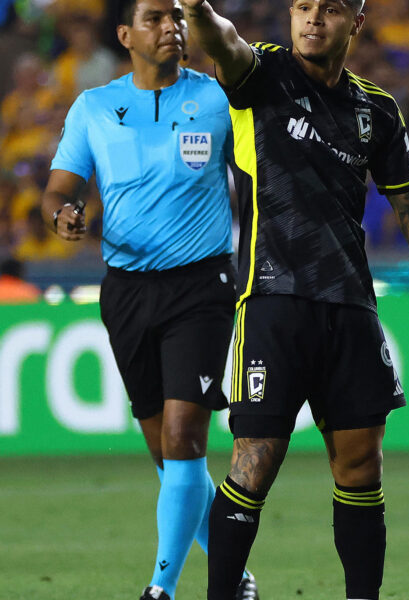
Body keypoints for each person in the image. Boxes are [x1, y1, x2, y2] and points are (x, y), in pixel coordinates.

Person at [180, 1, 409, 599]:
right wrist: (195, 8)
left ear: (354, 21)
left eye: (328, 9)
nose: (312, 20)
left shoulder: (376, 110)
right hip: (273, 302)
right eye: (302, 7)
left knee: (361, 468)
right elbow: (220, 40)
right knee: (255, 463)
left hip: (351, 307)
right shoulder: (262, 75)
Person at [40, 1, 258, 599]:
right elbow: (60, 186)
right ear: (126, 35)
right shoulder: (93, 108)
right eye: (157, 18)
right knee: (170, 459)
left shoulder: (217, 99)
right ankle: (236, 578)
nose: (172, 27)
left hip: (202, 287)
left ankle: (159, 590)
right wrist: (61, 212)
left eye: (178, 17)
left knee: (186, 438)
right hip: (127, 293)